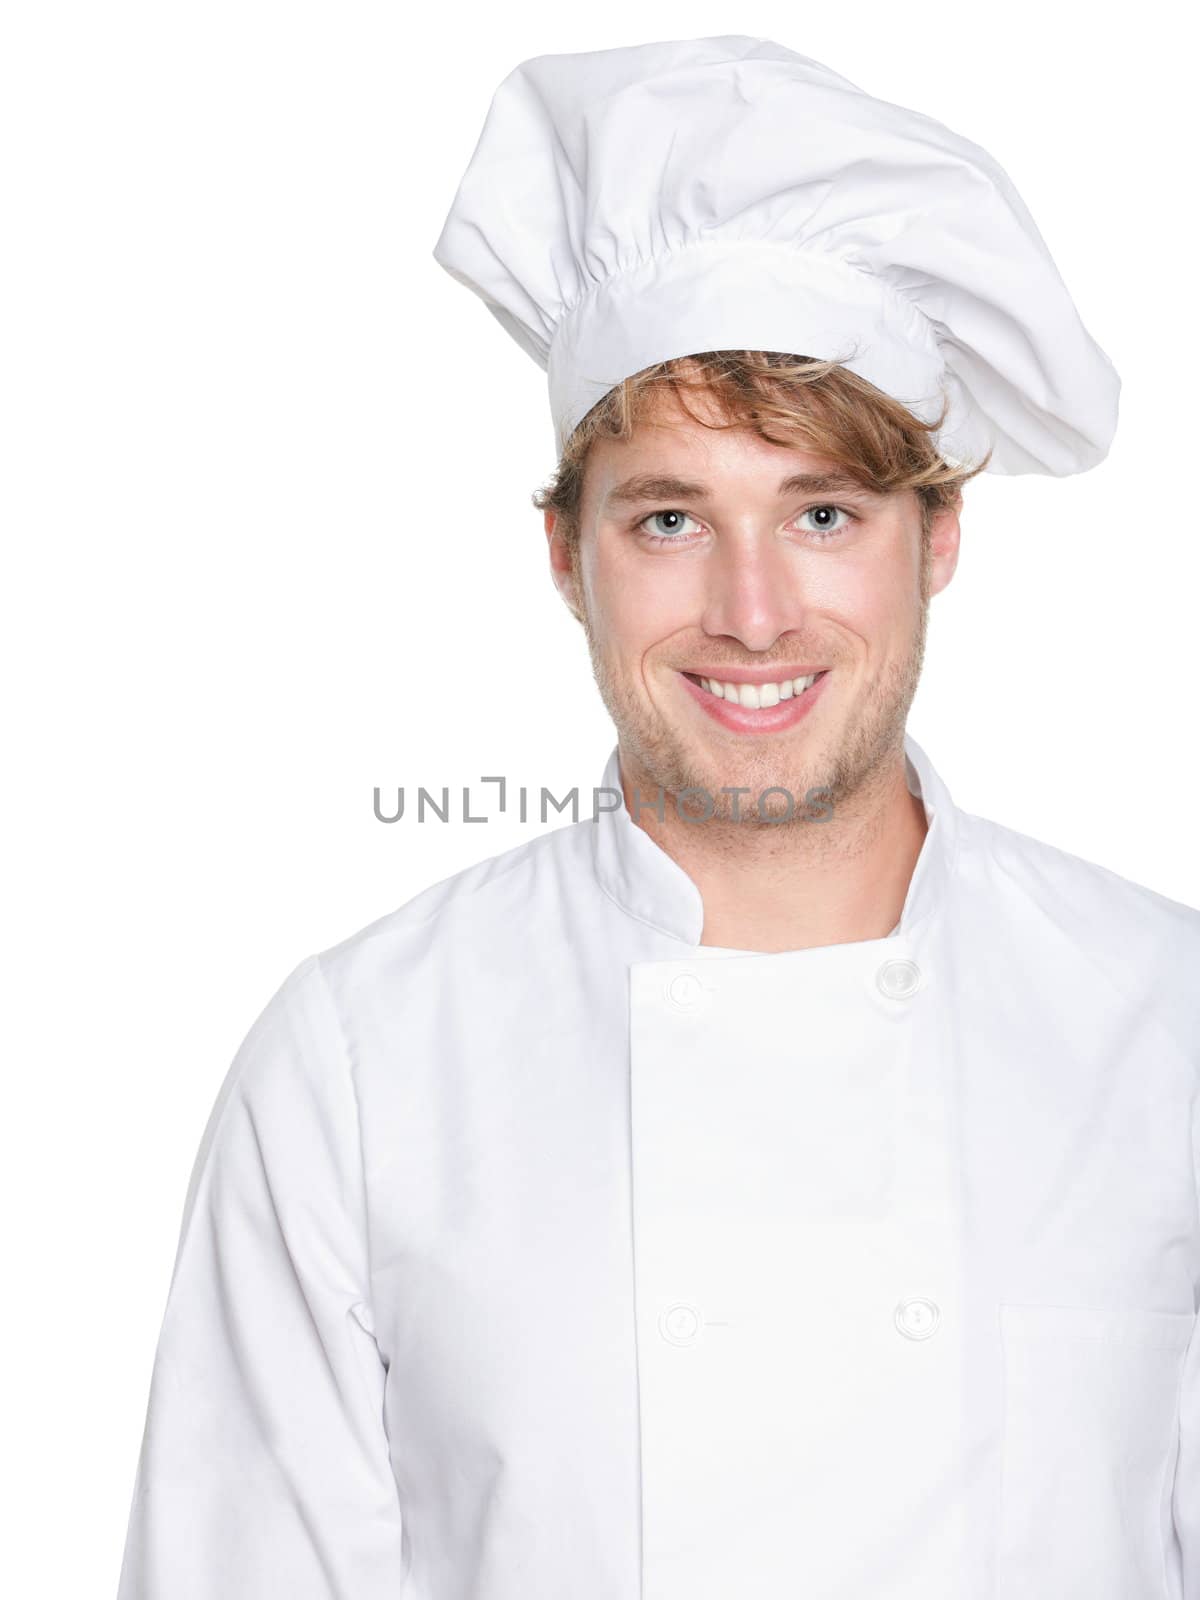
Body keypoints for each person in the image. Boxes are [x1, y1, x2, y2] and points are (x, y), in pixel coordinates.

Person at [115, 35, 1200, 1599]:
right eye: (672, 518)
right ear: (566, 557)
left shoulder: (1163, 1029)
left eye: (822, 512)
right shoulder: (359, 1065)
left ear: (938, 538)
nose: (751, 614)